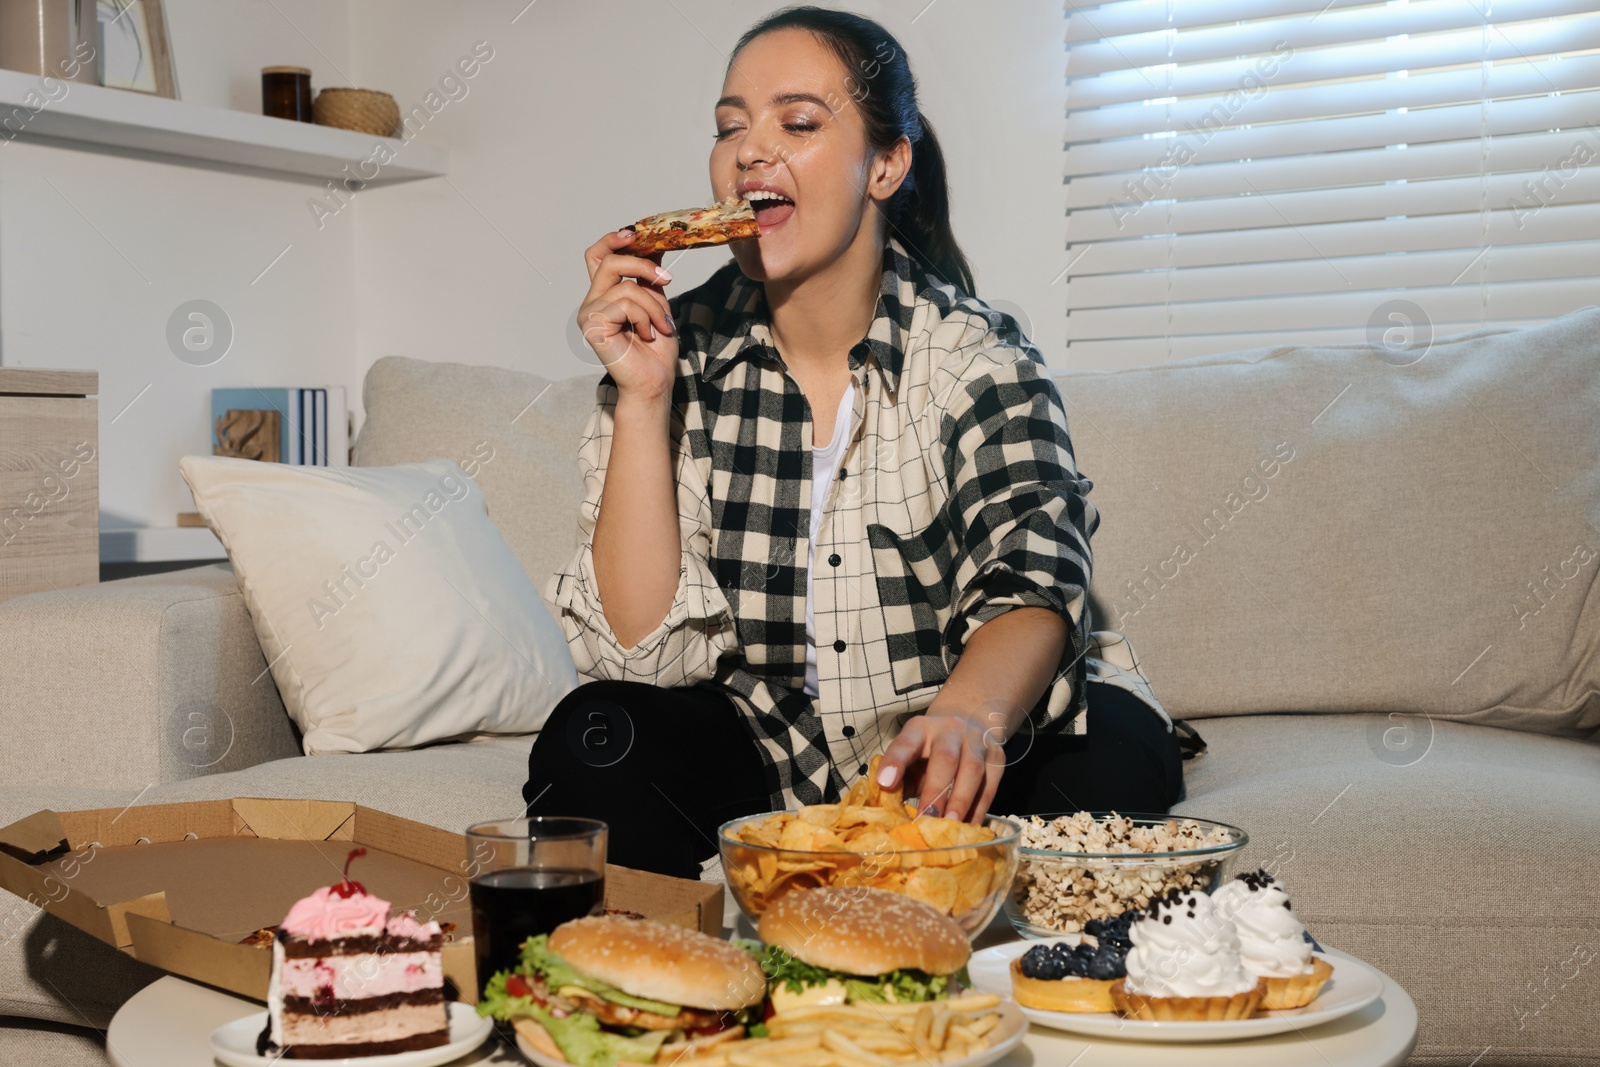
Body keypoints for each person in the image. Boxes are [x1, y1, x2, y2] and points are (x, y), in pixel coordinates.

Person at [524, 6, 1200, 880]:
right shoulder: (672, 353)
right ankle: (680, 987)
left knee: (1106, 760)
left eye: (797, 122)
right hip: (769, 752)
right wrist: (644, 396)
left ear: (885, 164)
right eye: (731, 126)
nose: (749, 150)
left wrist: (965, 720)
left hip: (963, 730)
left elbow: (1030, 576)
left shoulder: (974, 357)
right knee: (596, 736)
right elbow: (639, 652)